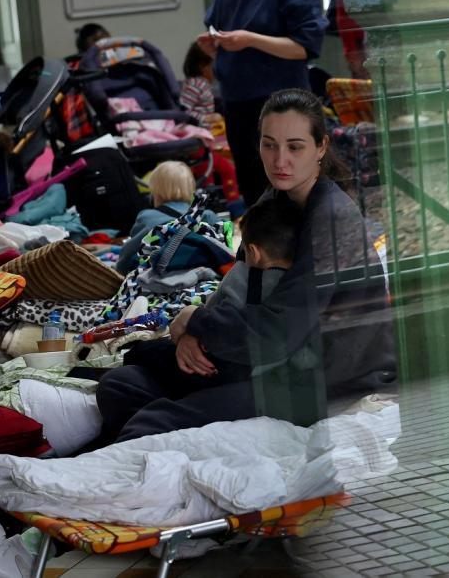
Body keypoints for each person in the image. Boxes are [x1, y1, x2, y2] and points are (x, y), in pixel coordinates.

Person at [95, 88, 394, 444]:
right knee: (121, 386)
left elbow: (280, 333)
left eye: (295, 147)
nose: (279, 160)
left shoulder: (332, 220)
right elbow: (240, 286)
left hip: (321, 376)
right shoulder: (276, 196)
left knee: (156, 420)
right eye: (270, 145)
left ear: (321, 147)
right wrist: (196, 333)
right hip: (261, 356)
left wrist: (198, 322)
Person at [197, 0, 326, 208]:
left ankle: (297, 247)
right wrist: (215, 47)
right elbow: (227, 41)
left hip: (280, 102)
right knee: (252, 185)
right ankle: (263, 248)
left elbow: (304, 47)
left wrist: (250, 39)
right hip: (237, 101)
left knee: (287, 181)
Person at [115, 160, 221, 276]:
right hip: (206, 282)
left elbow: (127, 258)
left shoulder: (148, 217)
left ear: (155, 190)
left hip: (159, 285)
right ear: (191, 187)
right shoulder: (208, 216)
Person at [179, 40, 217, 118]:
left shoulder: (205, 84)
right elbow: (183, 112)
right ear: (202, 66)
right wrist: (204, 118)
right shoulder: (195, 84)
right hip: (197, 128)